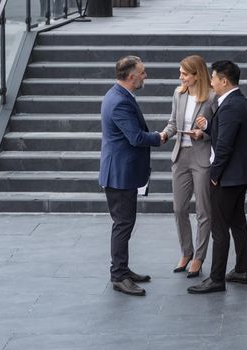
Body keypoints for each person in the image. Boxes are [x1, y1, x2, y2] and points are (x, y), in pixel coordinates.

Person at [188, 60, 247, 294]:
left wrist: (214, 176)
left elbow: (224, 147)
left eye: (214, 78)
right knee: (237, 222)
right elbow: (226, 134)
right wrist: (207, 127)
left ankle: (216, 279)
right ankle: (241, 269)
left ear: (224, 81)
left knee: (219, 228)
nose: (212, 82)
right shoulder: (239, 102)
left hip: (227, 178)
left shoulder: (230, 106)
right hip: (240, 174)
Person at [99, 55, 162, 296]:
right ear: (131, 76)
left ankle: (123, 270)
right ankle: (118, 276)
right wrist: (161, 137)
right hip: (119, 175)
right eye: (143, 73)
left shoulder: (117, 95)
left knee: (125, 223)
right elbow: (135, 137)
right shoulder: (120, 102)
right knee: (123, 224)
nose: (145, 76)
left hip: (120, 172)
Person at [160, 55, 217, 278]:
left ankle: (199, 257)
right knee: (179, 209)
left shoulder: (211, 98)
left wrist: (203, 133)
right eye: (181, 73)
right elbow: (173, 122)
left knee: (203, 210)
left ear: (196, 75)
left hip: (201, 156)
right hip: (180, 156)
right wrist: (165, 134)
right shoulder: (178, 93)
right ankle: (186, 251)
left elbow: (216, 129)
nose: (180, 77)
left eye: (184, 74)